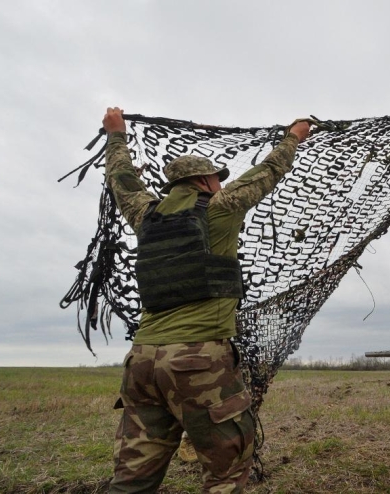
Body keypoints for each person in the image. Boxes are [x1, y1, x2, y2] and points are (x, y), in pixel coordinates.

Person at [101, 106, 311, 493]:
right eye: (217, 177)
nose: (220, 183)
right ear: (204, 181)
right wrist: (294, 136)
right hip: (197, 362)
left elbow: (122, 180)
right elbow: (266, 173)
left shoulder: (146, 215)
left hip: (142, 362)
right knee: (226, 473)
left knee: (131, 480)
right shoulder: (220, 209)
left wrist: (116, 135)